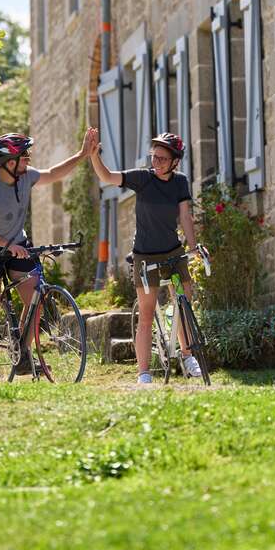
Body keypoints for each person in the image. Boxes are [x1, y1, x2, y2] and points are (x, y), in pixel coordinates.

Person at [0, 130, 93, 380]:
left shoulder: (25, 177)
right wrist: (6, 244)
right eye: (24, 156)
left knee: (36, 298)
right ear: (10, 162)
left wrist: (82, 155)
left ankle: (24, 353)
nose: (28, 160)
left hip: (18, 244)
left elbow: (54, 173)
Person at [89, 130, 202, 384]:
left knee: (183, 304)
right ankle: (144, 374)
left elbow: (185, 216)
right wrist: (95, 156)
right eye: (154, 156)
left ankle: (187, 356)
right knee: (147, 313)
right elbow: (107, 176)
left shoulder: (180, 182)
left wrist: (193, 248)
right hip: (145, 256)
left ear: (175, 161)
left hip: (173, 252)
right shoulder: (142, 179)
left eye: (162, 158)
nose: (156, 162)